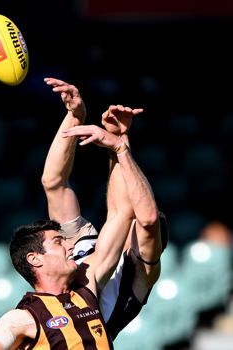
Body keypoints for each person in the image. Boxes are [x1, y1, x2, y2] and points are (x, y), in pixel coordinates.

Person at [0, 109, 135, 350]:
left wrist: (119, 144)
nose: (71, 245)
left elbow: (121, 213)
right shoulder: (21, 318)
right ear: (34, 258)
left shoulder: (87, 283)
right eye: (59, 242)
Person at [41, 78, 168, 340]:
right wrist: (75, 117)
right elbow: (54, 183)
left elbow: (145, 218)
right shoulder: (86, 245)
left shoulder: (142, 273)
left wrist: (120, 147)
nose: (132, 220)